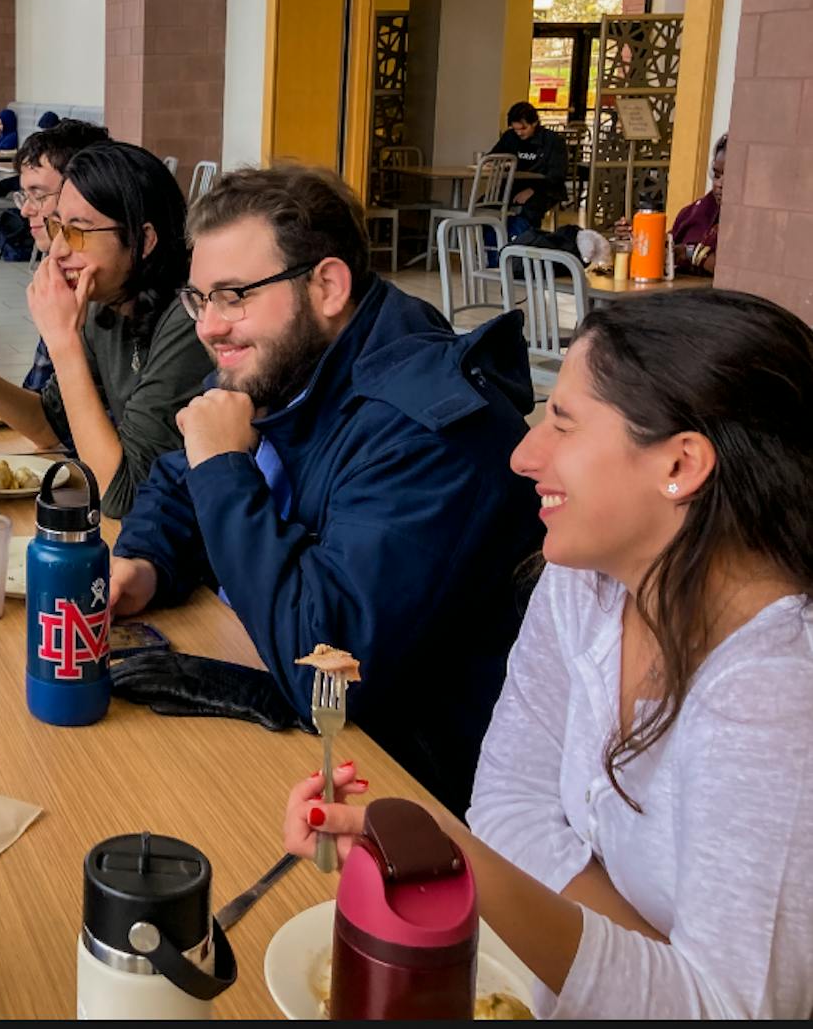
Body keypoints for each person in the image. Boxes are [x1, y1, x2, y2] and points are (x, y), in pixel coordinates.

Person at [289, 289, 813, 1019]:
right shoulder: (586, 582)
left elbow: (730, 1012)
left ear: (681, 462)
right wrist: (654, 960)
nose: (523, 452)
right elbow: (506, 803)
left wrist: (453, 857)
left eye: (562, 423)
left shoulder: (777, 693)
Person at [108, 165, 540, 813]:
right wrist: (143, 562)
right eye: (198, 299)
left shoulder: (426, 429)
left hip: (407, 783)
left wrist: (224, 471)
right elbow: (183, 471)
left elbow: (327, 671)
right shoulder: (290, 356)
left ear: (329, 285)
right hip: (300, 723)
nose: (209, 327)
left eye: (234, 295)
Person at [0, 141, 214, 518]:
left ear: (144, 241)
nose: (57, 250)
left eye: (78, 231)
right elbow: (48, 427)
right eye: (58, 226)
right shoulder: (105, 304)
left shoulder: (190, 320)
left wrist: (63, 342)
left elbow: (121, 497)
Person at [7, 118, 111, 391]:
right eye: (24, 195)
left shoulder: (107, 288)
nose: (26, 210)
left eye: (38, 195)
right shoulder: (61, 271)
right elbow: (42, 398)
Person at [613, 133, 727, 277]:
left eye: (729, 177)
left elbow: (734, 273)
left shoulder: (751, 225)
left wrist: (692, 253)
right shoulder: (696, 212)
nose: (719, 184)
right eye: (716, 176)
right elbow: (670, 248)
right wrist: (640, 237)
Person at [489, 101, 568, 236]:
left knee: (529, 210)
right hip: (513, 186)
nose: (519, 133)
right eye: (515, 129)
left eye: (523, 128)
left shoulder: (553, 141)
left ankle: (523, 243)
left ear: (535, 123)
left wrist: (532, 190)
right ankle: (491, 246)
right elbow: (493, 157)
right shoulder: (510, 137)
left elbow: (557, 175)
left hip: (546, 188)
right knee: (487, 206)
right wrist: (497, 164)